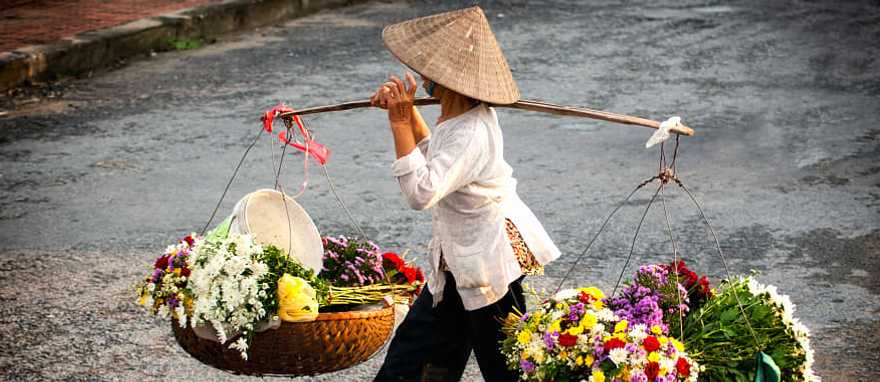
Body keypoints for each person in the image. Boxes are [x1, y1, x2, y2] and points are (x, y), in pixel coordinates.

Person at [372, 6, 561, 382]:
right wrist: (406, 117)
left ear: (448, 82)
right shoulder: (455, 117)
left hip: (488, 269)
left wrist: (398, 122)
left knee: (506, 369)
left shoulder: (472, 131)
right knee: (412, 363)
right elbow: (436, 159)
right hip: (456, 269)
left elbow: (422, 191)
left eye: (430, 73)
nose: (424, 77)